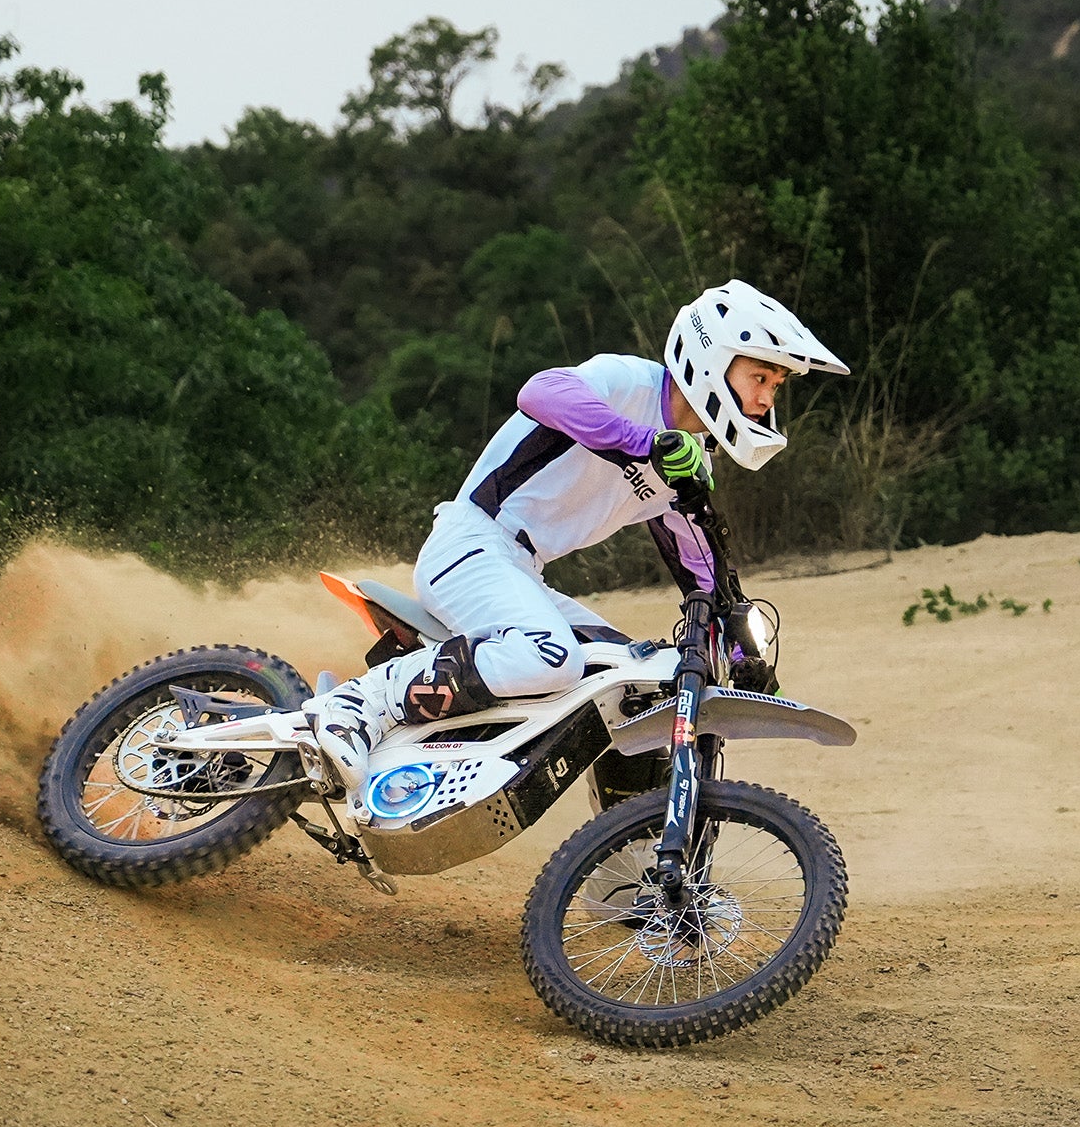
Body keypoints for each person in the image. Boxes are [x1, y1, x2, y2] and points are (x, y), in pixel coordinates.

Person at [303, 279, 848, 796]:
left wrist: (741, 646)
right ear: (712, 360)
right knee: (551, 656)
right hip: (471, 541)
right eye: (759, 378)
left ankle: (636, 853)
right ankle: (357, 704)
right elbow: (541, 391)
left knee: (635, 684)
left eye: (776, 385)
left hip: (522, 571)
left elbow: (701, 571)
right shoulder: (629, 382)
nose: (766, 399)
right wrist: (644, 441)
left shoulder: (689, 464)